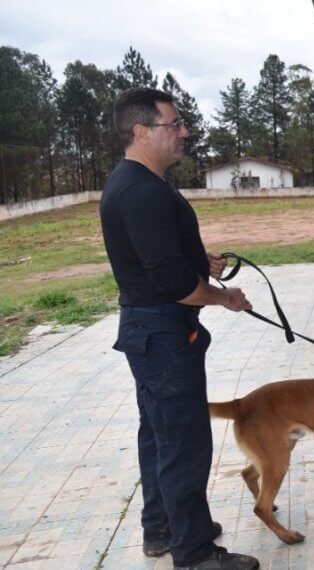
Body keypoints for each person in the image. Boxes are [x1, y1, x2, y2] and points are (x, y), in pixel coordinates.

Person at [100, 88, 259, 570]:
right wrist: (224, 297)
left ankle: (163, 527)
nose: (185, 131)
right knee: (184, 442)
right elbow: (172, 283)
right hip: (164, 333)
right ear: (141, 131)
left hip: (150, 331)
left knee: (159, 434)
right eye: (175, 124)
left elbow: (159, 258)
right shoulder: (142, 191)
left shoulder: (140, 183)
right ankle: (194, 553)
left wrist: (200, 260)